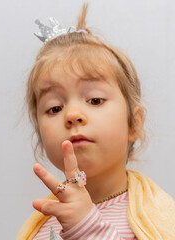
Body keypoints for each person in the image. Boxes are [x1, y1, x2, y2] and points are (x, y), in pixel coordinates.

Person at [17, 4, 175, 240]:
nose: (72, 114)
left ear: (134, 124)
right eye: (55, 108)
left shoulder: (157, 220)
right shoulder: (43, 222)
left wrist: (86, 227)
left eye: (95, 100)